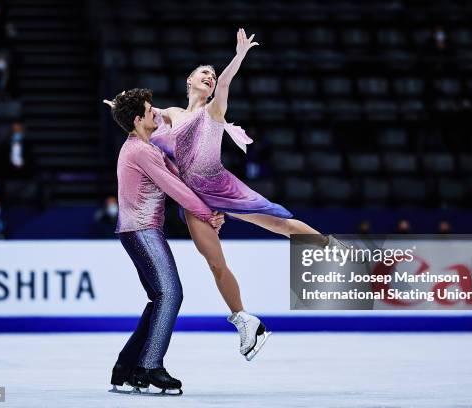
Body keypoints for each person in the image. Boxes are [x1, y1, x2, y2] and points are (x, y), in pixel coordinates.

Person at [111, 28, 339, 358]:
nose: (210, 76)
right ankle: (246, 322)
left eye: (212, 75)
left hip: (221, 187)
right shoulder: (172, 114)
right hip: (192, 198)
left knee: (280, 224)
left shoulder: (213, 110)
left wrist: (239, 56)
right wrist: (118, 105)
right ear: (189, 81)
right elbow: (140, 111)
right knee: (215, 263)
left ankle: (337, 252)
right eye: (203, 73)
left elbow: (227, 83)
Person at [107, 89, 224, 395]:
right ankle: (149, 365)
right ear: (137, 120)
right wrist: (207, 213)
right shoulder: (140, 151)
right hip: (141, 230)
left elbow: (180, 176)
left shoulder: (147, 147)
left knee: (160, 297)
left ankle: (127, 366)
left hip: (140, 230)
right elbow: (176, 188)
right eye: (149, 112)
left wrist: (211, 207)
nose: (156, 114)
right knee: (170, 294)